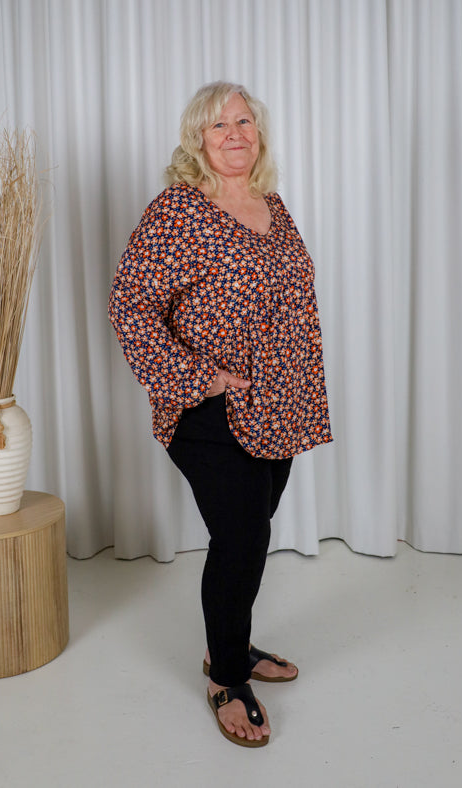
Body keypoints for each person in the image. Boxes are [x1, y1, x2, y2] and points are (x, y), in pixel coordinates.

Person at [108, 81, 332, 747]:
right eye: (218, 125)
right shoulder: (179, 209)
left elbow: (288, 300)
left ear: (257, 132)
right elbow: (130, 304)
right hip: (207, 407)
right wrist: (196, 377)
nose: (235, 133)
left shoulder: (270, 203)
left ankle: (225, 644)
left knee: (252, 531)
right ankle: (227, 679)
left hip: (276, 404)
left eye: (244, 121)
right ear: (197, 140)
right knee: (242, 538)